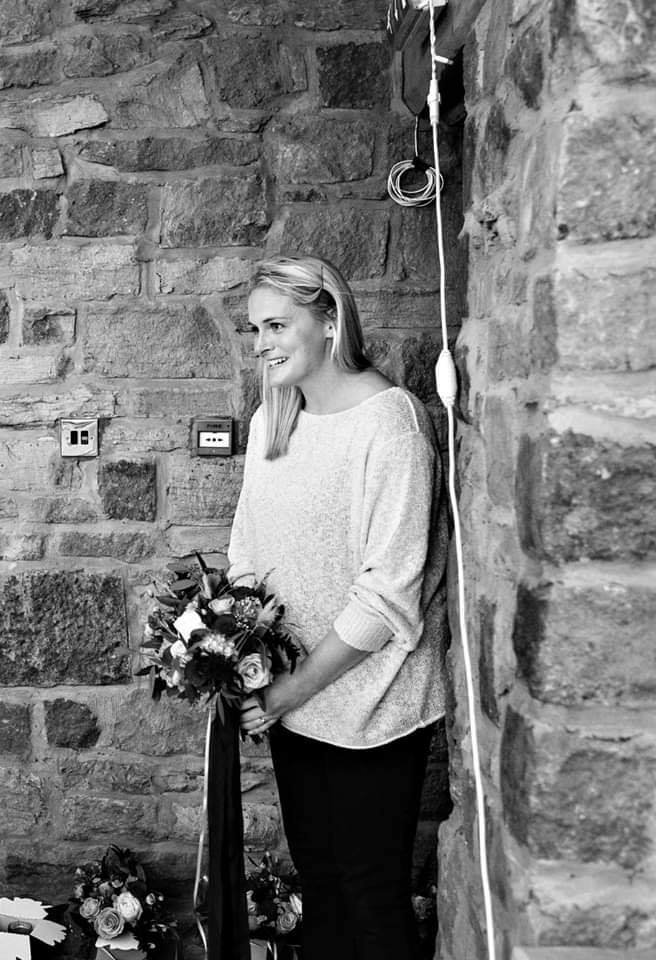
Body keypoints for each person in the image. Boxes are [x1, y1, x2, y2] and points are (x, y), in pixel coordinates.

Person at [230, 255, 448, 960]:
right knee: (320, 890)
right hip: (294, 705)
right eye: (255, 329)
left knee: (371, 898)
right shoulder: (274, 419)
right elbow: (246, 554)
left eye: (276, 325)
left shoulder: (391, 424)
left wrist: (289, 689)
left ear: (329, 320)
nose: (261, 343)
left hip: (372, 710)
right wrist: (245, 659)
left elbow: (386, 598)